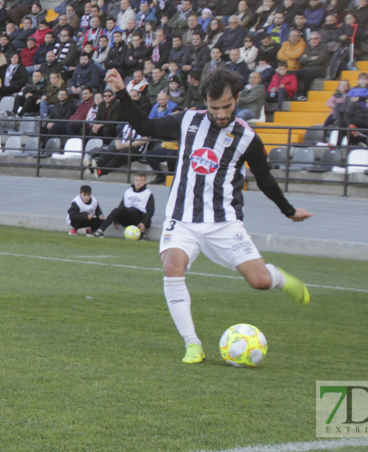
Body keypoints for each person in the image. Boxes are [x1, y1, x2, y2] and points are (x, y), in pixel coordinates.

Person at [103, 67, 313, 365]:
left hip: (224, 222)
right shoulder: (188, 120)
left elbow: (264, 178)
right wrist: (122, 92)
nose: (222, 113)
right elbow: (144, 125)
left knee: (260, 281)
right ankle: (193, 344)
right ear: (205, 102)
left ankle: (278, 277)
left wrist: (289, 211)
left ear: (237, 99)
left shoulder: (247, 138)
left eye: (227, 106)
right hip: (183, 219)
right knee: (172, 267)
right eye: (215, 108)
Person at [93, 173, 154, 238]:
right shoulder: (128, 191)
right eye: (136, 180)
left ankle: (141, 232)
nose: (138, 182)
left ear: (145, 182)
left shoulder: (148, 193)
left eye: (140, 180)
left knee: (132, 210)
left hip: (141, 218)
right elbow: (121, 206)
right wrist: (117, 220)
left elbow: (150, 211)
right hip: (128, 218)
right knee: (117, 210)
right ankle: (100, 230)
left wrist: (144, 222)